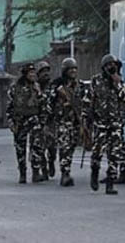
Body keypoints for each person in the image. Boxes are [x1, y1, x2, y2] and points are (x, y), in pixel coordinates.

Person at [83, 54, 125, 195]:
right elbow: (88, 100)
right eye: (109, 65)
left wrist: (117, 83)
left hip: (115, 123)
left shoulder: (119, 81)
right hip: (100, 123)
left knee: (114, 154)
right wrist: (86, 119)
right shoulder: (96, 81)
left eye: (113, 65)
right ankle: (94, 173)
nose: (111, 67)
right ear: (104, 67)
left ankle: (110, 182)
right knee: (97, 152)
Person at [6, 63, 47, 184]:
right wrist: (11, 123)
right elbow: (9, 108)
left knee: (37, 147)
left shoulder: (36, 87)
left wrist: (43, 122)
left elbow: (43, 105)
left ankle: (35, 172)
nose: (33, 75)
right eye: (30, 73)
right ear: (25, 74)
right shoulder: (15, 88)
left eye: (34, 73)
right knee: (20, 148)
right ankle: (22, 173)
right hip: (20, 121)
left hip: (34, 120)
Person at [51, 57, 82, 187]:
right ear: (65, 70)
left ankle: (66, 170)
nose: (73, 71)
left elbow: (83, 102)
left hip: (75, 121)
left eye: (75, 69)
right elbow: (49, 102)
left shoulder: (78, 85)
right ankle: (65, 174)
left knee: (72, 146)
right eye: (71, 69)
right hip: (62, 121)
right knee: (65, 147)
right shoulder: (58, 85)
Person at [36, 60, 57, 179]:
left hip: (51, 121)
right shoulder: (34, 87)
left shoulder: (53, 87)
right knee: (39, 147)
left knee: (52, 147)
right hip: (38, 122)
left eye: (47, 71)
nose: (45, 74)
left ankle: (51, 161)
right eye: (42, 71)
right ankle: (43, 168)